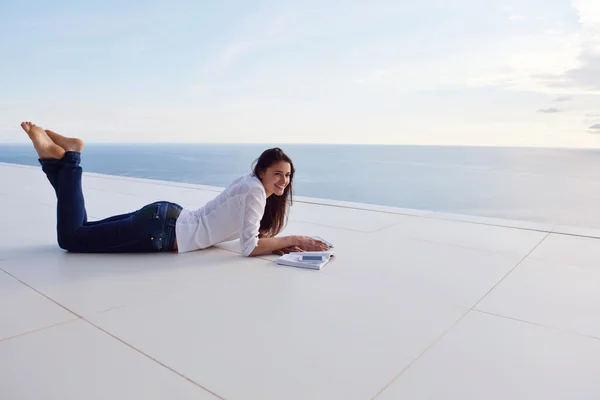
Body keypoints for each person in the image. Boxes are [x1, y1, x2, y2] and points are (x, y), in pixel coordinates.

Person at [19, 121, 330, 257]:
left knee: (81, 229)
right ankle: (70, 159)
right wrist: (296, 239)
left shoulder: (249, 184)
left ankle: (58, 159)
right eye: (278, 174)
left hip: (164, 218)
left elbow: (245, 232)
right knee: (71, 239)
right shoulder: (255, 193)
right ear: (262, 171)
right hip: (164, 232)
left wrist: (276, 243)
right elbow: (248, 248)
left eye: (288, 176)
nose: (283, 182)